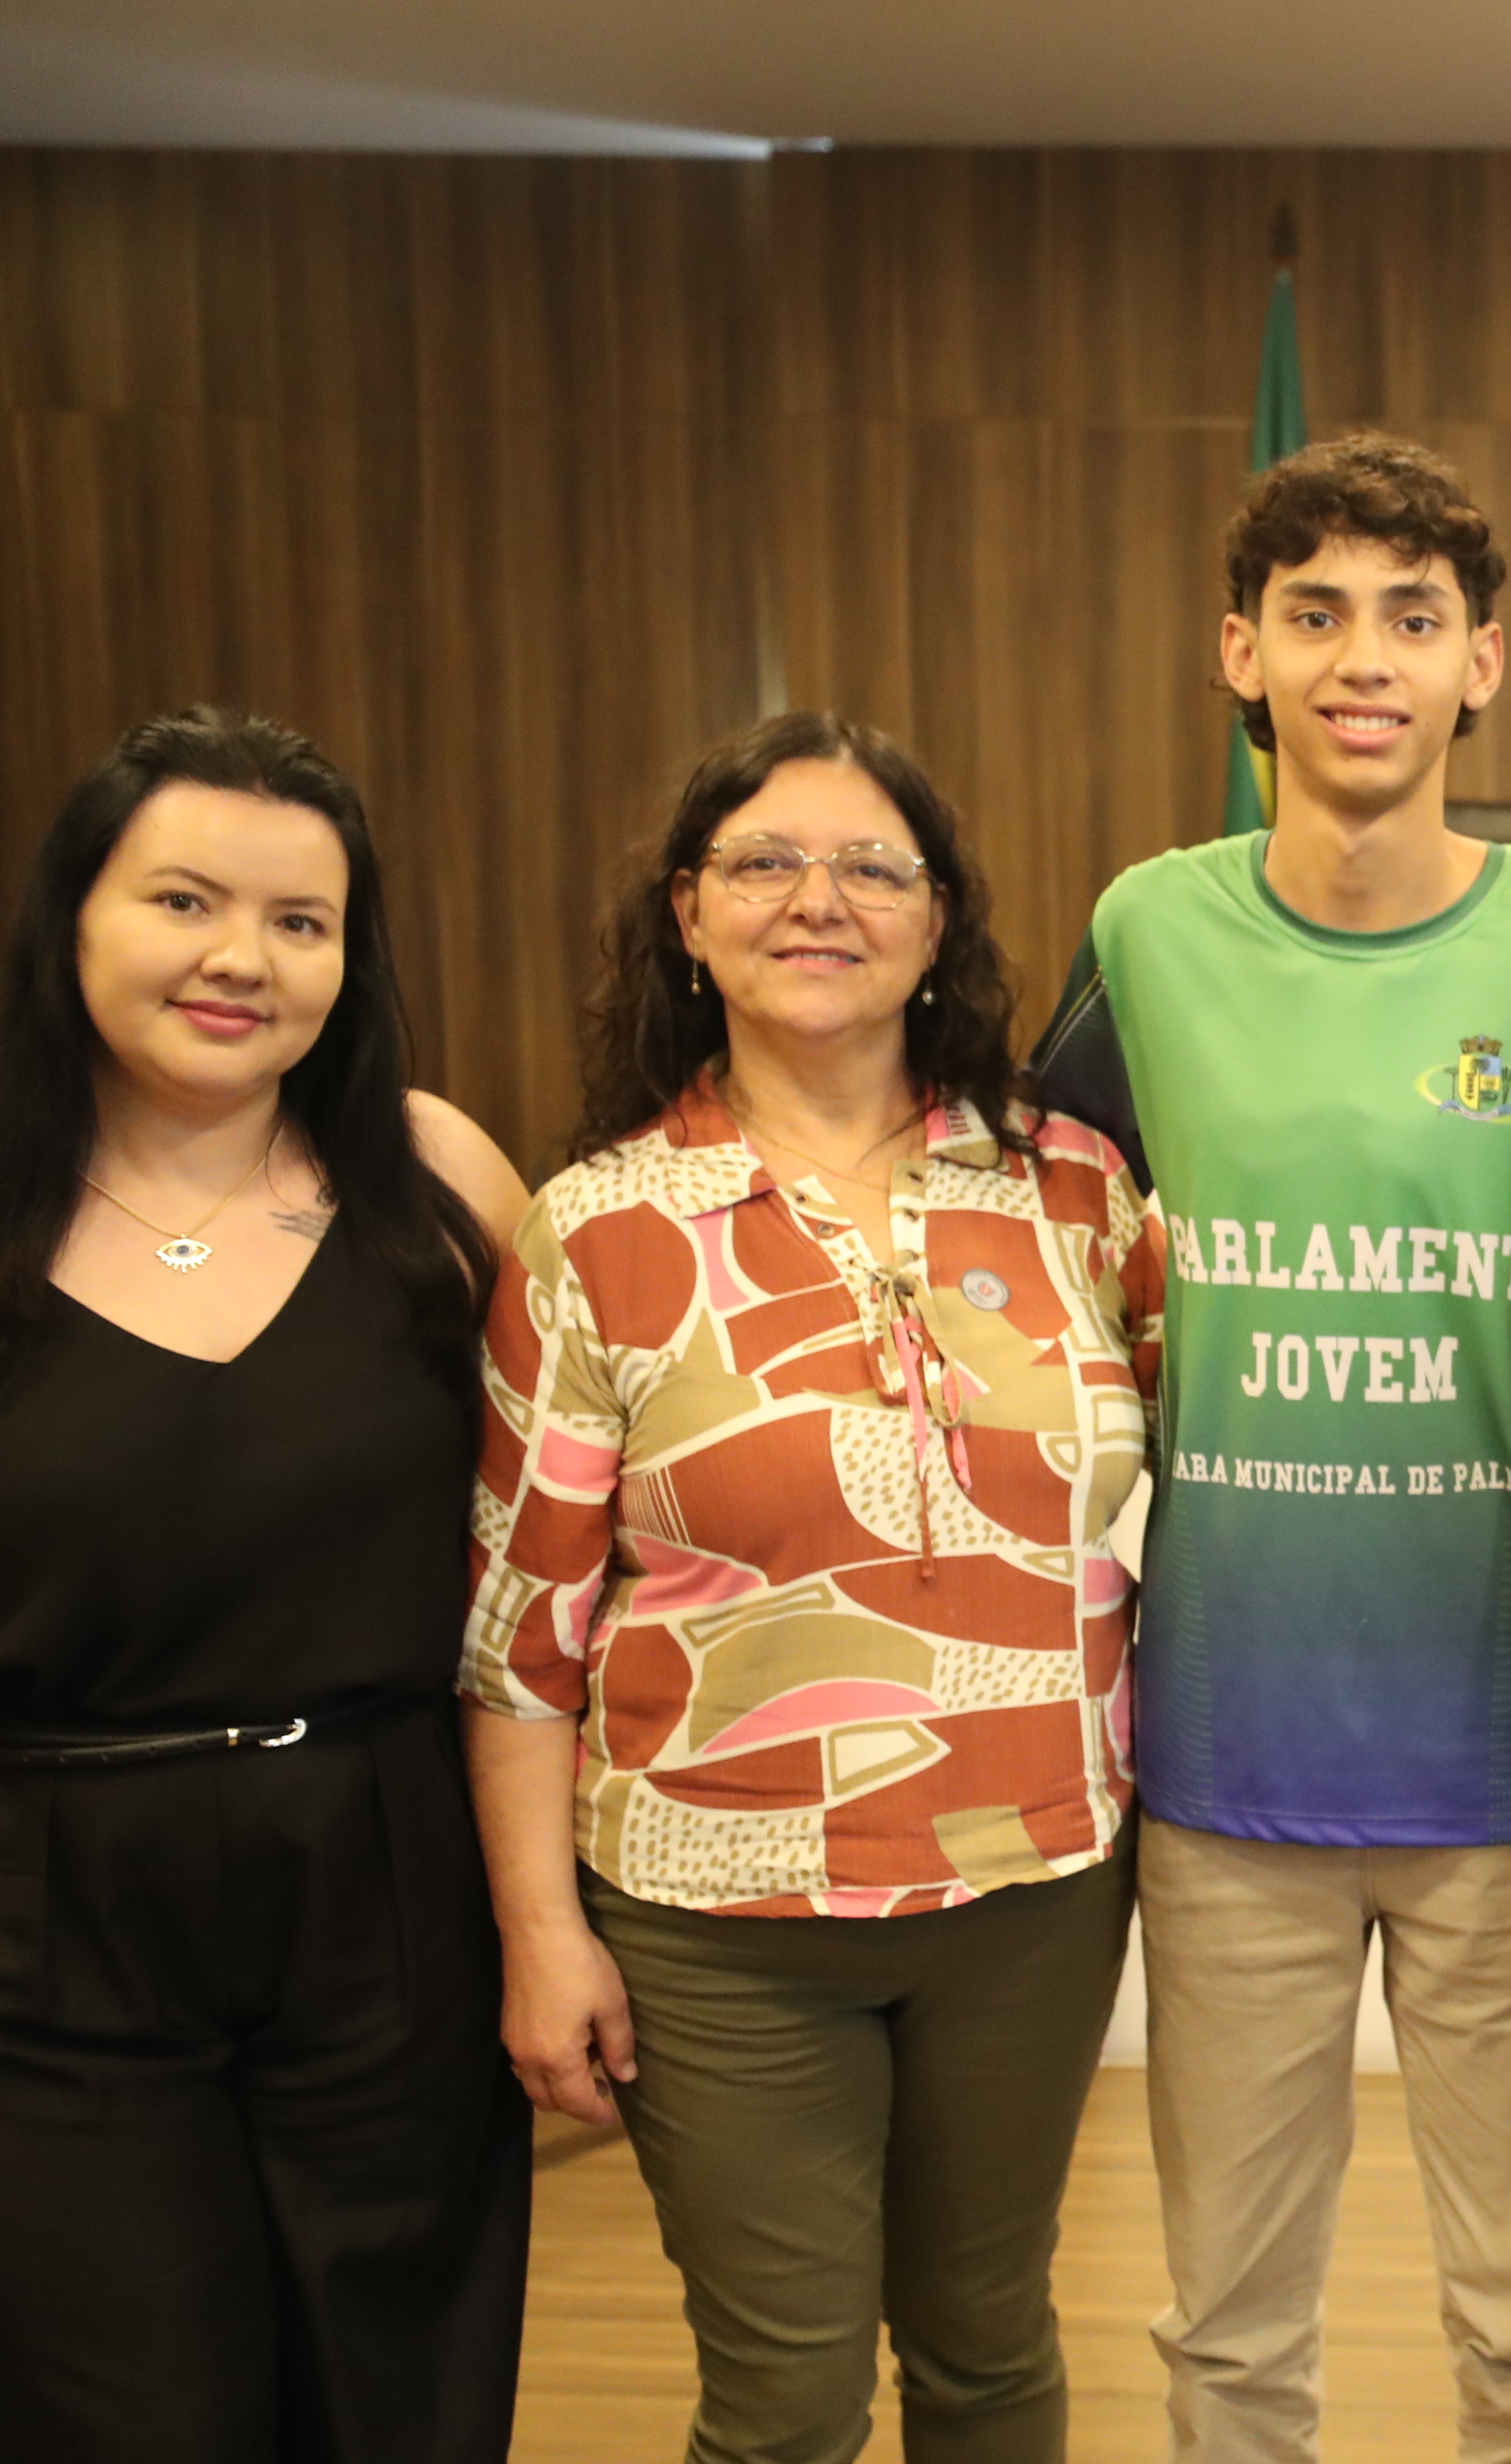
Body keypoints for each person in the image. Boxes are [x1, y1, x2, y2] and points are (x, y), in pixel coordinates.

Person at [1029, 433, 1511, 2464]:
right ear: (1243, 651)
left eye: (1412, 617)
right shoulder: (1145, 930)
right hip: (1229, 1756)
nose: (1362, 658)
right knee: (1223, 2337)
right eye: (1316, 614)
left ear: (1487, 660)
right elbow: (1027, 1257)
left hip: (1504, 1744)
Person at [460, 710, 1162, 2464]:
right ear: (688, 916)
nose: (818, 898)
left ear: (941, 923)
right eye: (765, 861)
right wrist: (544, 1937)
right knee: (782, 2397)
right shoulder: (601, 1226)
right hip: (720, 1918)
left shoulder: (1072, 1186)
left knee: (994, 2346)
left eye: (872, 864)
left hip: (1034, 1886)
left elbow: (1203, 1482)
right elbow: (518, 1641)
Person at [0, 707, 535, 2461]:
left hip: (388, 1874)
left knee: (403, 2399)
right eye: (182, 901)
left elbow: (569, 1541)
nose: (241, 957)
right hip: (56, 1908)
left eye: (302, 923)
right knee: (130, 2407)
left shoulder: (442, 1181)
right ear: (74, 914)